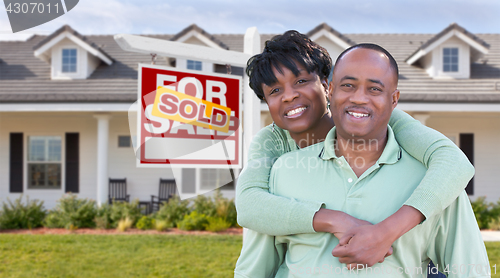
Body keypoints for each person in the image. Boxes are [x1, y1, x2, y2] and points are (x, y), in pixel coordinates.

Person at [236, 43, 489, 277]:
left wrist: (384, 233)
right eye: (275, 90)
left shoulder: (411, 150)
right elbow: (250, 207)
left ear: (326, 86)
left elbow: (453, 161)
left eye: (301, 81)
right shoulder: (277, 158)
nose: (289, 96)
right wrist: (333, 219)